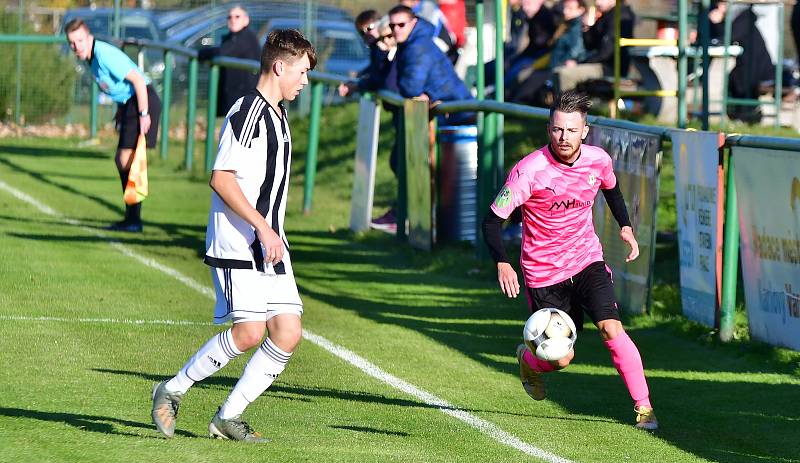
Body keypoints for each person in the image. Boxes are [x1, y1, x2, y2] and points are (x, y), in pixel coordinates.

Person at [150, 29, 316, 442]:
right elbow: (221, 179)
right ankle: (172, 390)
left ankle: (228, 416)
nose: (305, 81)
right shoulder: (248, 114)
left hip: (270, 244)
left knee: (288, 332)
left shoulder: (277, 115)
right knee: (248, 333)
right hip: (239, 243)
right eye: (302, 72)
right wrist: (261, 228)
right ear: (280, 67)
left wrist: (272, 233)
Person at [481, 90, 658, 431]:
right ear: (549, 129)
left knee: (612, 328)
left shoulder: (598, 160)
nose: (563, 137)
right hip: (544, 273)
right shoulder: (528, 172)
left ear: (585, 131)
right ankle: (528, 360)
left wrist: (625, 226)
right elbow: (491, 221)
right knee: (561, 358)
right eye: (557, 130)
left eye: (571, 130)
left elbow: (612, 189)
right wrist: (502, 262)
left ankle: (644, 407)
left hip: (586, 260)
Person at [65, 18, 161, 233]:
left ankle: (133, 220)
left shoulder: (103, 54)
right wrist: (121, 111)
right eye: (71, 43)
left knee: (126, 159)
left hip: (142, 101)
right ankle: (131, 218)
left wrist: (144, 114)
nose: (76, 46)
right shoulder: (90, 57)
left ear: (89, 37)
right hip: (129, 105)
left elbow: (138, 80)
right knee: (123, 160)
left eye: (80, 40)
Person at [198, 5, 261, 117]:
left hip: (245, 99)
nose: (233, 20)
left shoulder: (247, 37)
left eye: (237, 16)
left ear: (246, 20)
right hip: (234, 96)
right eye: (229, 17)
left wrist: (201, 54)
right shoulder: (231, 37)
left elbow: (223, 51)